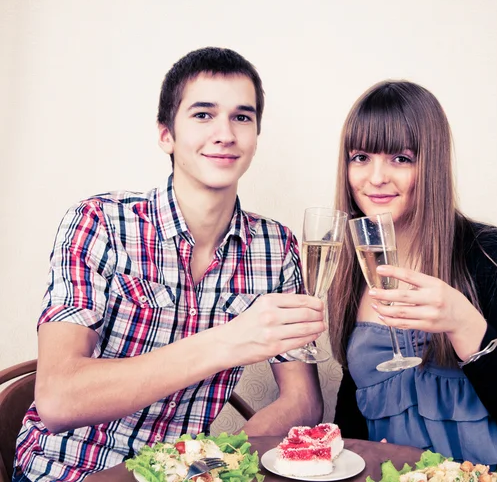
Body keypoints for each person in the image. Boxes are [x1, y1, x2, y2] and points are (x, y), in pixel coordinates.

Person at [13, 47, 325, 482]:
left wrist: (219, 463)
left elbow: (304, 402)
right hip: (70, 471)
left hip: (184, 473)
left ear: (255, 136)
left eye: (242, 117)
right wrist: (231, 341)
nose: (225, 134)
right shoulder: (98, 222)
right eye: (202, 115)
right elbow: (58, 398)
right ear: (166, 135)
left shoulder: (277, 246)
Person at [328, 80, 497, 481]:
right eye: (360, 157)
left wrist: (465, 325)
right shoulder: (353, 265)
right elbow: (354, 411)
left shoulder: (493, 254)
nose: (375, 177)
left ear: (431, 164)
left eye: (400, 158)